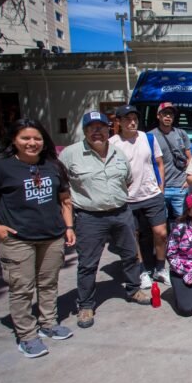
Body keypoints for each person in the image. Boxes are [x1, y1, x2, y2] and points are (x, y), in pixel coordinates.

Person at [0, 119, 75, 358]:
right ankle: (27, 336)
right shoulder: (0, 167)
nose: (32, 143)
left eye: (37, 138)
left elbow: (64, 199)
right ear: (14, 140)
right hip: (17, 239)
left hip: (52, 236)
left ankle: (49, 324)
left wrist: (69, 226)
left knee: (48, 283)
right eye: (25, 138)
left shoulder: (52, 165)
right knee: (21, 288)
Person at [59, 112, 152, 330]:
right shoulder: (69, 155)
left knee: (130, 254)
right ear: (85, 131)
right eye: (92, 127)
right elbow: (61, 188)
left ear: (110, 129)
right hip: (89, 217)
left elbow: (127, 180)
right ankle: (85, 305)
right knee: (88, 264)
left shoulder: (118, 153)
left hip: (121, 212)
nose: (97, 131)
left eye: (101, 127)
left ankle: (133, 289)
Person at [109, 105, 169, 288]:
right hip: (127, 199)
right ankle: (142, 270)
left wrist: (161, 188)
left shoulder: (148, 138)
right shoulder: (112, 143)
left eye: (135, 118)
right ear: (118, 122)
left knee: (161, 233)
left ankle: (160, 268)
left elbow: (159, 163)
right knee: (133, 236)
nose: (132, 122)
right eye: (127, 119)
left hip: (152, 195)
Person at [150, 102, 192, 220]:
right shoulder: (150, 136)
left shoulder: (181, 134)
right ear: (158, 116)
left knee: (182, 220)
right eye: (165, 114)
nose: (168, 117)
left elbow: (189, 159)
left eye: (171, 114)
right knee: (162, 222)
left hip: (180, 187)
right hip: (160, 188)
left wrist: (188, 180)